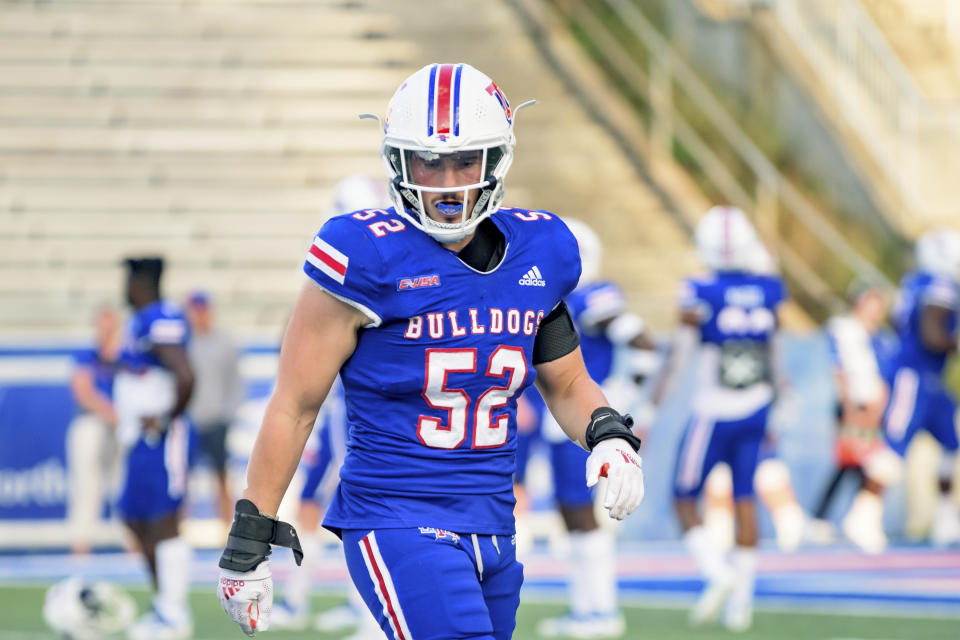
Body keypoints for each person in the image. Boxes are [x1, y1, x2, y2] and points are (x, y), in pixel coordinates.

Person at [216, 63, 646, 640]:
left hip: (493, 522)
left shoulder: (540, 253)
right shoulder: (363, 253)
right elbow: (295, 404)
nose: (447, 180)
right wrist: (251, 535)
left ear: (496, 160)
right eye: (430, 161)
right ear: (399, 163)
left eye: (465, 160)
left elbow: (567, 383)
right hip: (397, 519)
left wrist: (608, 433)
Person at [512, 219, 658, 638]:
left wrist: (625, 394)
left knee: (581, 516)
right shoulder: (561, 296)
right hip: (564, 424)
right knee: (572, 516)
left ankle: (600, 613)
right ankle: (588, 611)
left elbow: (640, 340)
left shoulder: (593, 294)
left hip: (585, 422)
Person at [654, 206, 788, 632]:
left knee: (682, 496)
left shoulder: (699, 290)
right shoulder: (769, 287)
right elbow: (776, 353)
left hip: (713, 410)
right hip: (759, 404)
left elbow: (681, 354)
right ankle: (741, 605)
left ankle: (719, 573)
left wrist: (654, 405)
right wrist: (781, 404)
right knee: (744, 497)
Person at [269, 175, 387, 639]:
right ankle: (305, 599)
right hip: (336, 407)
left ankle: (370, 612)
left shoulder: (375, 268)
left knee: (362, 506)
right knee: (314, 506)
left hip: (357, 410)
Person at [842, 228, 960, 553]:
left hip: (929, 380)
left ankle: (947, 518)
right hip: (916, 378)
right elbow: (932, 335)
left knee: (951, 444)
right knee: (894, 448)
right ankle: (863, 515)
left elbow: (900, 324)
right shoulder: (939, 286)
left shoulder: (914, 282)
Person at [114, 257, 196, 640]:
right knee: (134, 517)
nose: (124, 287)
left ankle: (174, 614)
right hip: (139, 438)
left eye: (129, 279)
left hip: (160, 438)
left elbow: (185, 373)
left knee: (164, 521)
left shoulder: (159, 317)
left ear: (142, 283)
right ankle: (165, 602)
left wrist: (164, 419)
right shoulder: (140, 321)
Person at [807, 281, 891, 544]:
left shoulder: (879, 336)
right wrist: (849, 405)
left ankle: (854, 518)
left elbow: (885, 373)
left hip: (875, 408)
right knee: (853, 462)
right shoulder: (845, 329)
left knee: (863, 465)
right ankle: (830, 519)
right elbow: (840, 368)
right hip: (855, 407)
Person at [66, 304, 121, 554]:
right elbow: (83, 391)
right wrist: (111, 413)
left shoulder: (125, 356)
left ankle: (130, 542)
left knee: (122, 484)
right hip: (93, 423)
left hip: (120, 427)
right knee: (86, 484)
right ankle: (81, 543)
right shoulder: (86, 355)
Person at [185, 290, 243, 528]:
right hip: (189, 420)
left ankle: (225, 530)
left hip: (216, 419)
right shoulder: (184, 342)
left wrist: (227, 414)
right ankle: (178, 532)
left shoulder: (224, 341)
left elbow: (235, 381)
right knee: (182, 481)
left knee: (221, 478)